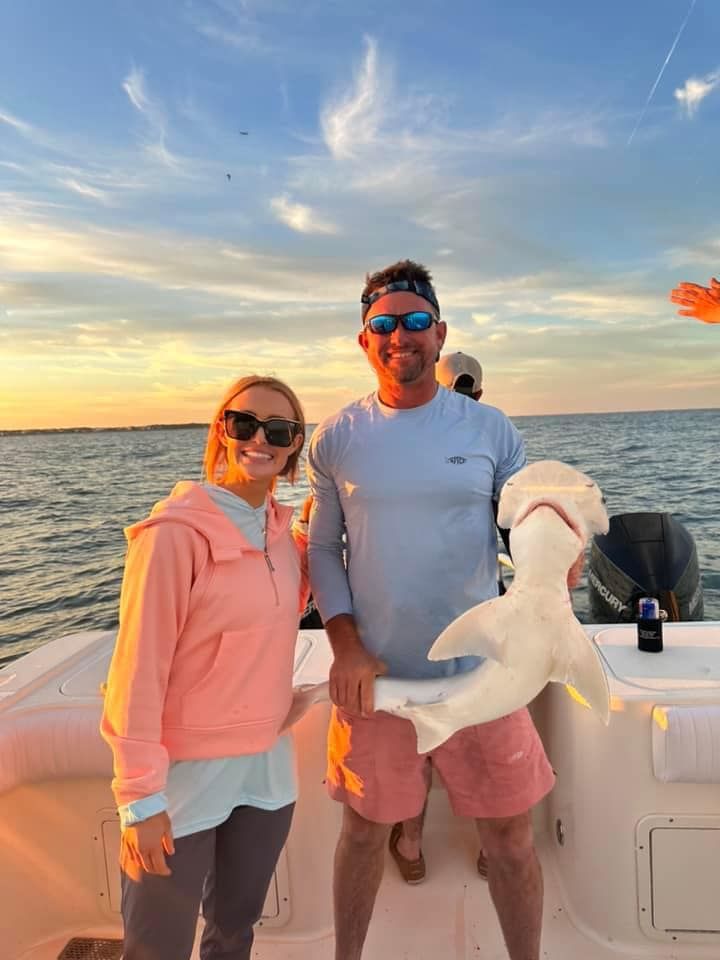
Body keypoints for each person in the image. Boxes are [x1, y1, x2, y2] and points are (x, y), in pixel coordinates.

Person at [307, 260, 557, 960]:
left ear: (439, 334)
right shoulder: (337, 438)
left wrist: (550, 549)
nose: (400, 336)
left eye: (415, 322)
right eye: (382, 325)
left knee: (509, 838)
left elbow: (521, 525)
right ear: (364, 341)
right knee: (361, 833)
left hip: (483, 676)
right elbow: (324, 551)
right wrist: (345, 647)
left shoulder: (491, 429)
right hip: (376, 681)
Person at [101, 374, 308, 960]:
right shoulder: (172, 536)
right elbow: (137, 670)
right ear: (222, 430)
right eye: (244, 423)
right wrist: (139, 798)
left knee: (235, 932)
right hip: (183, 779)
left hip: (266, 771)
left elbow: (275, 613)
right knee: (157, 946)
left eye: (279, 429)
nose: (260, 439)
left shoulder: (281, 536)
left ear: (295, 444)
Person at [389, 349, 490, 885]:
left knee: (476, 738)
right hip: (405, 634)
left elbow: (518, 515)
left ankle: (489, 844)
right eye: (453, 393)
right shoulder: (391, 447)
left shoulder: (492, 443)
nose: (460, 404)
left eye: (468, 394)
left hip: (475, 631)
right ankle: (409, 838)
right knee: (415, 747)